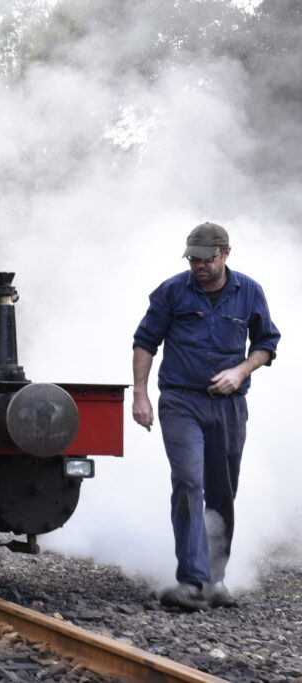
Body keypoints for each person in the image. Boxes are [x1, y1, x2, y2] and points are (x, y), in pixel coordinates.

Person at [131, 222, 280, 610]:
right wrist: (141, 395)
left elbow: (266, 343)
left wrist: (240, 372)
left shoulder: (248, 292)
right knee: (187, 482)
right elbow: (145, 341)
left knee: (221, 491)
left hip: (229, 408)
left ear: (225, 254)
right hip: (181, 402)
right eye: (192, 258)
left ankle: (215, 580)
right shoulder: (171, 291)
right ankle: (192, 581)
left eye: (205, 258)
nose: (198, 265)